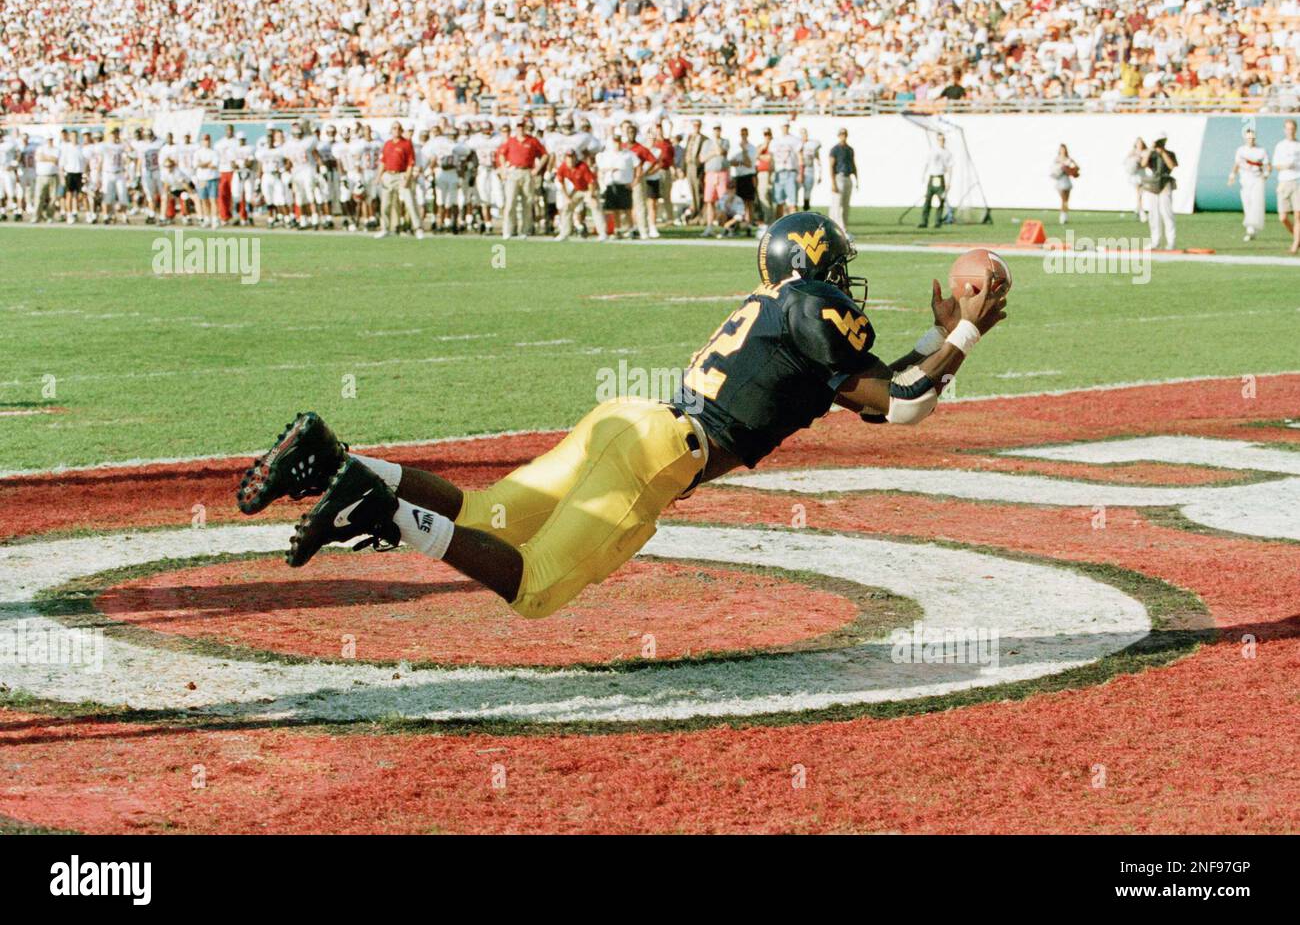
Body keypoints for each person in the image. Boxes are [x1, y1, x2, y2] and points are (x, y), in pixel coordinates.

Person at [236, 212, 1008, 623]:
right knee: (537, 588)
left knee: (487, 513)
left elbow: (881, 388)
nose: (848, 285)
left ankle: (340, 458)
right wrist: (970, 332)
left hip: (629, 421)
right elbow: (905, 406)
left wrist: (938, 339)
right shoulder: (816, 305)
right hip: (665, 451)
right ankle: (382, 509)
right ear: (818, 268)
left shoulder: (780, 306)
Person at [499, 118, 547, 239]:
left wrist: (537, 169)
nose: (520, 129)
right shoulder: (511, 141)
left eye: (522, 127)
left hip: (527, 172)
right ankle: (508, 230)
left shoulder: (532, 140)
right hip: (513, 172)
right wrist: (504, 169)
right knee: (510, 202)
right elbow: (501, 155)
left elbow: (545, 155)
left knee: (527, 202)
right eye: (518, 127)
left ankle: (525, 230)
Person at [377, 122, 420, 240]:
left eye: (398, 128)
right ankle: (385, 228)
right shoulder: (387, 144)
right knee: (385, 204)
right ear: (391, 130)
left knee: (409, 202)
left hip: (401, 175)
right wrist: (378, 177)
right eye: (394, 128)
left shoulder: (406, 144)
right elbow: (383, 162)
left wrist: (408, 177)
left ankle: (417, 228)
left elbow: (411, 163)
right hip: (388, 175)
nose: (396, 130)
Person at [1228, 126, 1269, 242]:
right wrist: (1232, 176)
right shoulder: (1241, 150)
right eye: (1248, 138)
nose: (1250, 140)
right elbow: (1237, 165)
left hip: (1257, 180)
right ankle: (1250, 229)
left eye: (1252, 137)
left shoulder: (1261, 150)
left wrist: (1265, 175)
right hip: (1245, 180)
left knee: (1256, 204)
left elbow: (1267, 166)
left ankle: (1252, 230)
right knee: (1247, 204)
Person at [553, 149, 605, 241]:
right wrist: (567, 198)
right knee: (567, 207)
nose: (570, 160)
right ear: (565, 158)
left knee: (595, 207)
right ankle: (565, 233)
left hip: (590, 189)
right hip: (578, 189)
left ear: (575, 158)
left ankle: (602, 234)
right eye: (568, 158)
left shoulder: (582, 166)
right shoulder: (563, 167)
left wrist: (591, 196)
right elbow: (561, 183)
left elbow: (591, 182)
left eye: (572, 157)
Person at [1140, 133, 1178, 250]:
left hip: (1165, 183)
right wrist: (1151, 149)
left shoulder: (1170, 153)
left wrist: (1162, 152)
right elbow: (1143, 164)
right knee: (1153, 214)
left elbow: (1171, 166)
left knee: (1167, 213)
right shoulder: (1151, 154)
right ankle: (1155, 241)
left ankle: (1171, 242)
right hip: (1153, 184)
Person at [1271, 118, 1300, 254]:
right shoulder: (1280, 146)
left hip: (1297, 181)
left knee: (1297, 215)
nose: (1290, 131)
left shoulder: (1298, 145)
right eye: (1288, 129)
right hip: (1283, 181)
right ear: (1284, 130)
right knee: (1282, 217)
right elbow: (1275, 164)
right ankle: (1297, 237)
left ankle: (1295, 244)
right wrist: (1285, 166)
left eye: (1292, 128)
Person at [918, 133, 953, 229]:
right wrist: (923, 176)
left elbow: (949, 168)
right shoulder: (932, 151)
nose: (942, 141)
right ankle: (924, 221)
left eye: (943, 139)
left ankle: (938, 221)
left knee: (940, 201)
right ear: (937, 140)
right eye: (940, 139)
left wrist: (949, 182)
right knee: (927, 201)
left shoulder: (947, 153)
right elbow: (926, 163)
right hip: (932, 178)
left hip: (940, 177)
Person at [828, 127, 856, 230]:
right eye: (841, 134)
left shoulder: (849, 149)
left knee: (845, 205)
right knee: (837, 204)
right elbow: (831, 166)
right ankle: (839, 228)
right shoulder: (835, 149)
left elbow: (853, 164)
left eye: (844, 134)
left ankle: (844, 226)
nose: (843, 136)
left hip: (848, 176)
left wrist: (856, 179)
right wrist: (833, 182)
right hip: (839, 177)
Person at [192, 133, 221, 228]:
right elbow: (196, 164)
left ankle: (215, 219)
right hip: (202, 179)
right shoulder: (198, 152)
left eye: (207, 140)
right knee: (204, 200)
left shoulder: (214, 152)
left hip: (212, 178)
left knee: (213, 199)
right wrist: (207, 163)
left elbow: (214, 165)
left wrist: (203, 164)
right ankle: (207, 218)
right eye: (204, 140)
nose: (206, 142)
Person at [1049, 144, 1079, 225]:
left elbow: (1076, 167)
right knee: (1063, 199)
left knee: (1066, 201)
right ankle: (1062, 217)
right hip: (1060, 180)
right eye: (1061, 149)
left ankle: (1065, 216)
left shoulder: (1068, 159)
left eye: (1063, 149)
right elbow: (1053, 170)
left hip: (1066, 180)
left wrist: (1072, 168)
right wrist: (1061, 167)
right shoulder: (1057, 159)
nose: (1062, 150)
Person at [1124, 138, 1147, 220]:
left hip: (1142, 174)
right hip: (1136, 176)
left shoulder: (1145, 152)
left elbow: (1145, 163)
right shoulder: (1133, 152)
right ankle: (1141, 211)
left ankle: (1137, 210)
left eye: (1141, 143)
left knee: (1141, 193)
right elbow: (1126, 162)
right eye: (1138, 143)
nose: (1139, 144)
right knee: (1139, 193)